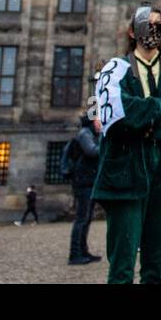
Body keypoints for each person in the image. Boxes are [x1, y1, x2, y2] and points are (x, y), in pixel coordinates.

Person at [92, 6, 161, 284]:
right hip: (124, 176)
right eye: (148, 24)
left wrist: (149, 129)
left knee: (155, 269)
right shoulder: (113, 70)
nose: (154, 30)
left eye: (159, 25)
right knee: (122, 268)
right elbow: (117, 118)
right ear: (132, 32)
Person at [66, 113, 102, 265]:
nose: (100, 123)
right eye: (98, 120)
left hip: (89, 181)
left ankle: (83, 250)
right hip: (83, 182)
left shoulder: (89, 134)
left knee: (86, 218)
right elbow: (92, 151)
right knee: (81, 219)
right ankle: (75, 254)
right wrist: (106, 141)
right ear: (92, 121)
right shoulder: (84, 134)